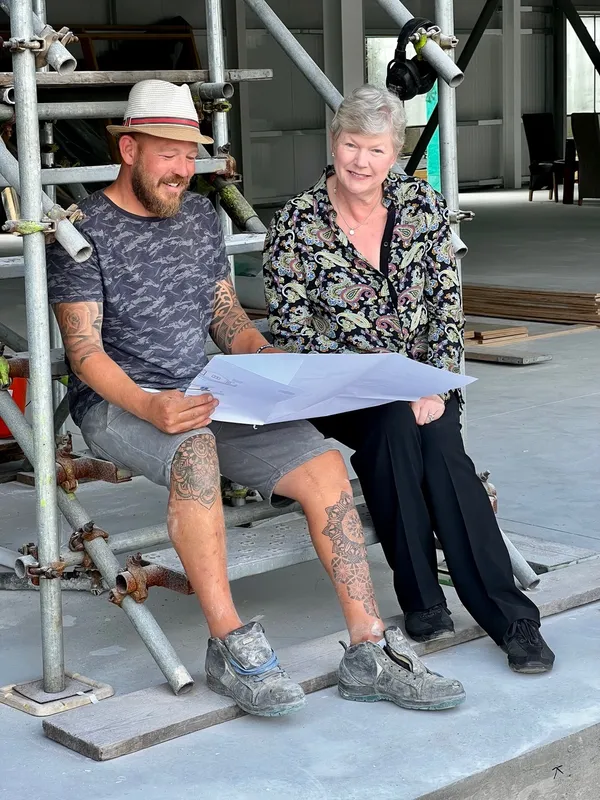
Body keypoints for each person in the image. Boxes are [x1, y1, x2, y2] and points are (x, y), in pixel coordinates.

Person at [46, 79, 466, 718]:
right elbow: (85, 352)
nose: (183, 170)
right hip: (120, 403)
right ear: (128, 148)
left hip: (208, 388)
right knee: (195, 455)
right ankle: (229, 645)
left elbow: (224, 314)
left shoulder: (196, 218)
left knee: (325, 467)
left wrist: (259, 354)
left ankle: (369, 649)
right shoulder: (82, 232)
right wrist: (151, 405)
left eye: (191, 156)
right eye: (168, 154)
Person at [263, 84, 555, 675]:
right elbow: (293, 334)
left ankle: (509, 616)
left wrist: (436, 385)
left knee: (440, 443)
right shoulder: (296, 223)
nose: (360, 162)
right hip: (338, 386)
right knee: (391, 422)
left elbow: (447, 313)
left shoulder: (423, 208)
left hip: (422, 383)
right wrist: (383, 382)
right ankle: (421, 596)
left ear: (395, 151)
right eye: (350, 145)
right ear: (334, 141)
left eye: (375, 150)